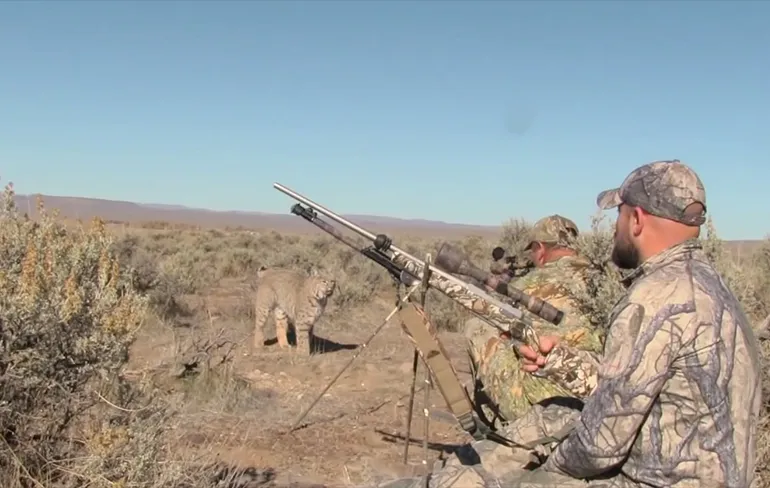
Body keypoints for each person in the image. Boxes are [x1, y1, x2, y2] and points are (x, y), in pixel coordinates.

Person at [381, 159, 762, 488]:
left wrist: (548, 468)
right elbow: (643, 384)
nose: (614, 227)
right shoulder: (709, 285)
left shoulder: (654, 297)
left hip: (650, 479)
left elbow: (601, 446)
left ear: (638, 220)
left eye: (619, 214)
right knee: (555, 416)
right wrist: (560, 361)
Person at [464, 214, 603, 424]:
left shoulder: (527, 284)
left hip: (543, 408)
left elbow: (493, 312)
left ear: (540, 247)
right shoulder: (603, 279)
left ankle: (495, 420)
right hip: (604, 396)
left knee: (478, 326)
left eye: (532, 251)